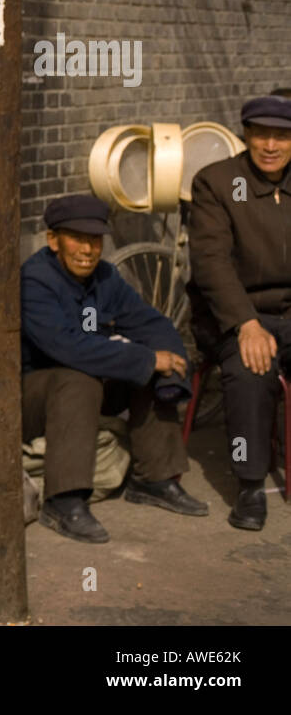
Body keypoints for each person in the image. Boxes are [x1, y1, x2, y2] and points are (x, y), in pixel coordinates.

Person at [21, 195, 208, 544]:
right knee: (83, 376)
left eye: (95, 240)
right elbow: (69, 348)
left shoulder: (104, 276)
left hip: (85, 392)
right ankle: (65, 499)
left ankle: (154, 477)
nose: (88, 250)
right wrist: (147, 359)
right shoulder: (36, 280)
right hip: (31, 396)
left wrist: (168, 361)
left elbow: (150, 322)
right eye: (77, 238)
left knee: (151, 357)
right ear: (53, 240)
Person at [188, 94, 291, 530]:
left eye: (282, 136)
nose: (271, 146)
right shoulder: (216, 182)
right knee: (252, 369)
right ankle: (249, 485)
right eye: (261, 135)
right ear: (245, 136)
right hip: (234, 314)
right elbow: (211, 263)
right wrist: (245, 324)